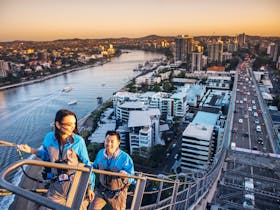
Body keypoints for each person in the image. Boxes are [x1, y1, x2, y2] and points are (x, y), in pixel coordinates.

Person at [18, 109, 95, 209]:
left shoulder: (78, 141)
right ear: (58, 125)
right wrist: (31, 150)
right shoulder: (48, 138)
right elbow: (47, 156)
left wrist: (90, 187)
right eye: (69, 124)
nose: (72, 127)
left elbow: (87, 164)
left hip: (75, 184)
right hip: (56, 184)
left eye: (74, 124)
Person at [90, 130, 134, 210]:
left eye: (112, 141)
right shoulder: (100, 153)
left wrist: (125, 175)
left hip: (118, 193)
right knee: (92, 208)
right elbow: (94, 167)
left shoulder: (125, 158)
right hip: (102, 189)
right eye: (107, 141)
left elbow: (132, 177)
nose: (109, 144)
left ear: (118, 143)